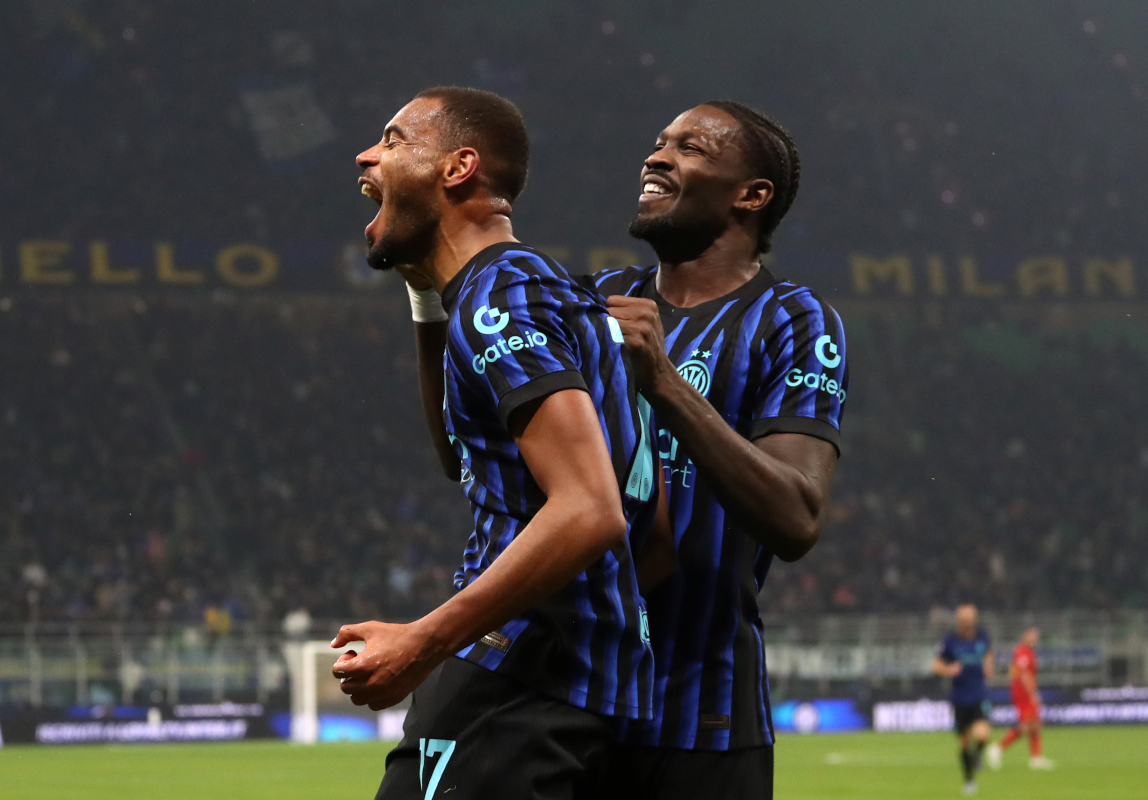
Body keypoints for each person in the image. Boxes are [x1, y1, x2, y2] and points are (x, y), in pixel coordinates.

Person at [331, 86, 662, 800]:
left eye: (392, 140)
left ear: (457, 168)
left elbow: (589, 508)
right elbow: (465, 459)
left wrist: (423, 641)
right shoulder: (548, 292)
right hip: (588, 684)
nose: (366, 154)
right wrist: (426, 301)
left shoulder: (500, 298)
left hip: (517, 678)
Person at [587, 101, 847, 799]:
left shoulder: (793, 319)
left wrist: (664, 384)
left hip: (705, 713)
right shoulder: (600, 298)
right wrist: (428, 305)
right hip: (573, 704)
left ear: (752, 195)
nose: (656, 156)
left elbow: (796, 517)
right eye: (658, 140)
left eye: (690, 147)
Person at [932, 603, 995, 795]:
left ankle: (978, 756)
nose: (965, 623)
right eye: (962, 620)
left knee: (983, 734)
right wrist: (948, 670)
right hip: (959, 697)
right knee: (964, 742)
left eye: (968, 619)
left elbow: (989, 653)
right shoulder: (950, 640)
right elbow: (936, 665)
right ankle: (969, 781)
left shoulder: (983, 636)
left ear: (974, 620)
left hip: (979, 694)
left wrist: (988, 664)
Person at [987, 627, 1055, 770]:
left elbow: (1014, 672)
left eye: (1036, 637)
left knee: (1035, 724)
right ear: (1025, 636)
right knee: (1025, 726)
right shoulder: (1022, 652)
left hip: (1024, 693)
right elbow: (1024, 675)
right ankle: (998, 748)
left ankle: (1036, 758)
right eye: (1032, 636)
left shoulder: (1028, 652)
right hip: (1023, 694)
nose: (1035, 640)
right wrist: (1033, 694)